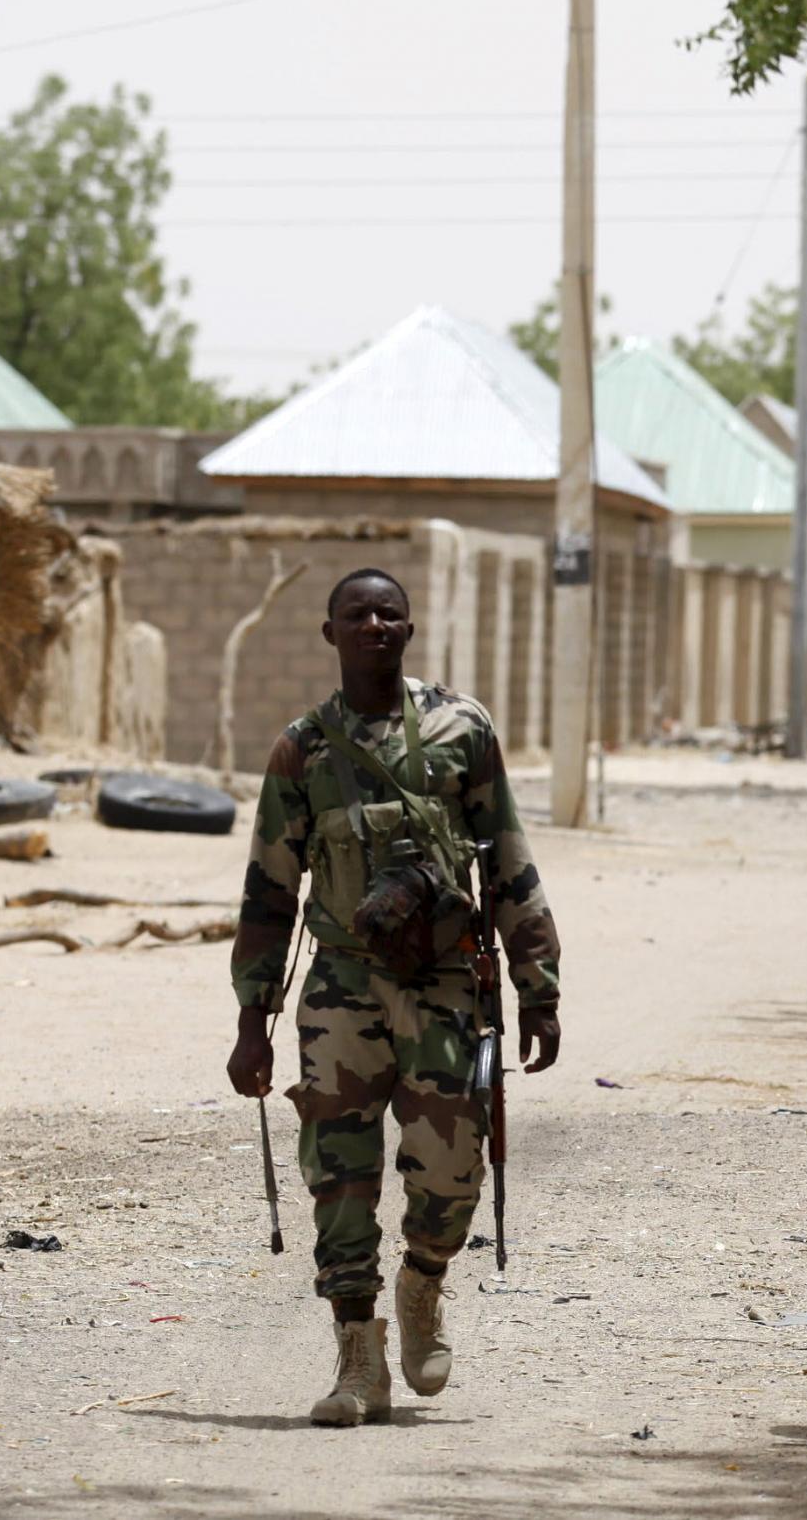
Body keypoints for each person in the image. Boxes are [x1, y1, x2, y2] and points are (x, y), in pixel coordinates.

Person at [224, 567, 562, 1427]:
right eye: (356, 615)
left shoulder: (461, 728)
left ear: (409, 629)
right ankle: (357, 1355)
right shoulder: (302, 748)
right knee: (337, 1174)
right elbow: (268, 892)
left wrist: (538, 986)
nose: (374, 625)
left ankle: (423, 1285)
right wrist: (251, 1021)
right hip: (339, 981)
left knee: (451, 1174)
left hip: (444, 982)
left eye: (389, 614)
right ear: (328, 633)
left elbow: (509, 859)